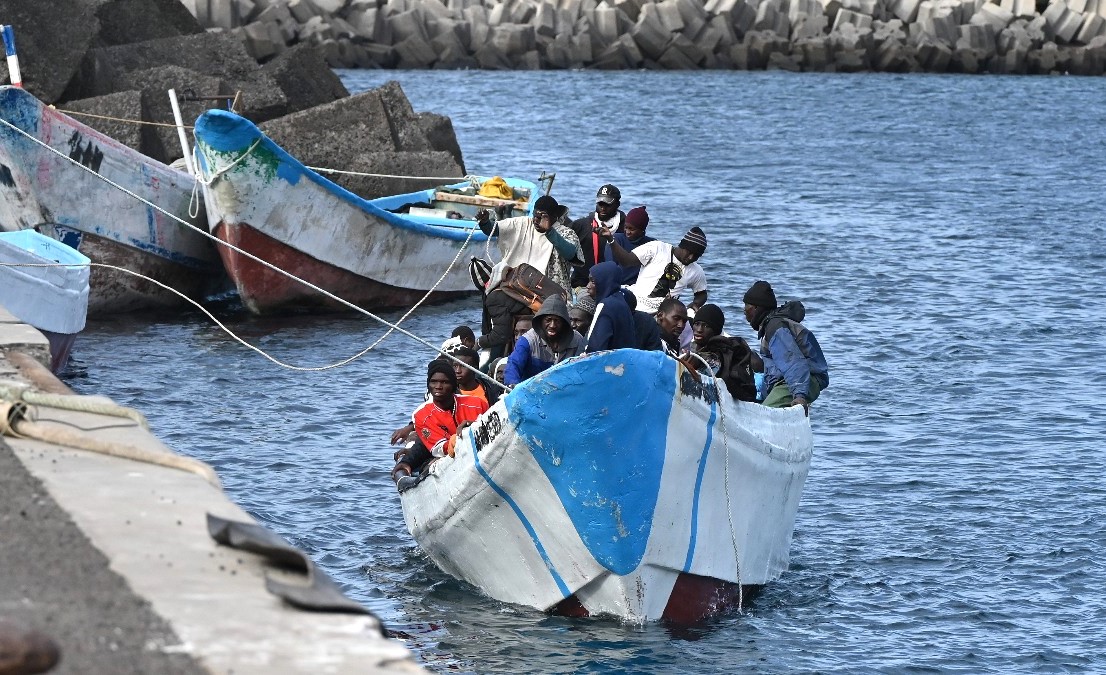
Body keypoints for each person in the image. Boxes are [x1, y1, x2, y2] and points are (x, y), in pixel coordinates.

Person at [742, 281, 829, 412]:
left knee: (764, 413)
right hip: (790, 382)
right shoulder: (771, 326)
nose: (744, 310)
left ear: (756, 308)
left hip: (805, 380)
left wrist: (799, 395)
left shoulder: (775, 327)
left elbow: (793, 362)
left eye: (747, 306)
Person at [476, 194, 581, 293]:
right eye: (535, 215)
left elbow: (570, 254)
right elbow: (493, 230)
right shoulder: (522, 223)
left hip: (552, 291)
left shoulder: (566, 233)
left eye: (541, 217)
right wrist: (485, 222)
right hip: (517, 284)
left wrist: (550, 232)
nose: (536, 220)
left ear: (554, 217)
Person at [601, 223, 709, 314]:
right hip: (637, 308)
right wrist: (611, 240)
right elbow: (626, 261)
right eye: (689, 252)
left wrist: (695, 304)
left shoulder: (696, 271)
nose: (691, 258)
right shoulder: (657, 248)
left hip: (665, 318)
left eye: (696, 256)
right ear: (682, 246)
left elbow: (701, 294)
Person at [504, 295, 586, 386]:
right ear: (541, 321)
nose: (552, 325)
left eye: (557, 321)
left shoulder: (577, 339)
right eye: (548, 320)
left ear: (564, 323)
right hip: (532, 392)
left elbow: (583, 369)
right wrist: (512, 384)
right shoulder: (528, 340)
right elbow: (514, 364)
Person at [412, 360, 488, 458]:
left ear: (453, 385)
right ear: (428, 385)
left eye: (444, 382)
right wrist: (460, 437)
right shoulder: (421, 415)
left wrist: (472, 425)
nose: (438, 387)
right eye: (434, 382)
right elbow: (439, 449)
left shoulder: (477, 404)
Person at [690, 304, 758, 402]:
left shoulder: (717, 354)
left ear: (716, 330)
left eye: (706, 326)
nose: (699, 329)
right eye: (697, 324)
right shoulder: (694, 348)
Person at [570, 183, 625, 288]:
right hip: (583, 285)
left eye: (607, 204)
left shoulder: (626, 228)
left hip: (615, 285)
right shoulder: (582, 225)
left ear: (617, 204)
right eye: (600, 204)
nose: (603, 208)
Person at [584, 261, 637, 352]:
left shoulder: (605, 306)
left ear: (604, 282)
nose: (587, 286)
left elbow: (596, 347)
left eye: (593, 281)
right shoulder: (622, 301)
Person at [611, 205, 655, 284]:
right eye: (626, 227)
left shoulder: (652, 244)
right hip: (618, 286)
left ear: (642, 230)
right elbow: (610, 267)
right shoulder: (616, 240)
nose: (627, 232)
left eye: (632, 229)